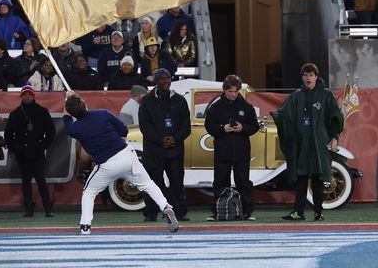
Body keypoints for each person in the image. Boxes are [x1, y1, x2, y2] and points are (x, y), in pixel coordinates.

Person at [63, 92, 179, 234]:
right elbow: (124, 129)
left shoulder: (74, 129)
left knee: (89, 192)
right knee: (148, 184)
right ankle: (166, 206)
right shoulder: (103, 114)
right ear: (85, 105)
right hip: (127, 154)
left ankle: (85, 225)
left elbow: (67, 118)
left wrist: (67, 99)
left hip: (107, 164)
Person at [272, 63, 343, 221]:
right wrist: (276, 116)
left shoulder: (326, 96)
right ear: (302, 78)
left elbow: (335, 117)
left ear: (316, 77)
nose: (308, 78)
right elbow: (284, 116)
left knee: (318, 178)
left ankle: (318, 212)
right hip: (301, 145)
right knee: (301, 178)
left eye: (311, 75)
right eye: (305, 75)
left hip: (319, 145)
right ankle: (299, 212)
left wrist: (334, 137)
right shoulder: (296, 97)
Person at [203, 74, 259, 221]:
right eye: (230, 91)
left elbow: (254, 126)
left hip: (241, 152)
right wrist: (223, 128)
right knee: (220, 182)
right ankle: (218, 212)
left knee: (244, 183)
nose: (233, 94)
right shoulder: (215, 108)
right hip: (222, 152)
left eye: (235, 91)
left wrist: (243, 128)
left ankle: (246, 212)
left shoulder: (247, 107)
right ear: (224, 90)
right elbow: (209, 126)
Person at [138, 68, 190, 222]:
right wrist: (161, 140)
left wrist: (175, 139)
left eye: (168, 78)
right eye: (163, 79)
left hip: (175, 150)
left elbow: (186, 126)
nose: (166, 81)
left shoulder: (180, 100)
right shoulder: (146, 101)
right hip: (154, 151)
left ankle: (180, 213)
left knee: (177, 182)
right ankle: (151, 213)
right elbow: (144, 126)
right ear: (156, 81)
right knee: (152, 183)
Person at [4, 85, 55, 217]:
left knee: (41, 180)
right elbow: (8, 135)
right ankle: (28, 208)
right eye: (24, 95)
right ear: (21, 96)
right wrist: (16, 149)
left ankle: (47, 208)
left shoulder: (42, 111)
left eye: (29, 94)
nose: (27, 97)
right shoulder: (14, 114)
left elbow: (51, 132)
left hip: (37, 152)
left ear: (33, 96)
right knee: (25, 181)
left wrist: (42, 146)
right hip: (22, 154)